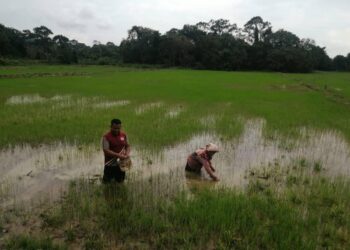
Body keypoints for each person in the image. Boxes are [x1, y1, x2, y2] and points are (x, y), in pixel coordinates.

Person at [102, 118, 131, 183]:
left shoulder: (123, 135)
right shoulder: (106, 137)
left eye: (118, 128)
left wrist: (127, 153)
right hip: (110, 165)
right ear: (111, 127)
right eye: (114, 128)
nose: (116, 130)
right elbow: (106, 150)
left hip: (121, 164)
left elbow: (128, 146)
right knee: (107, 184)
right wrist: (118, 155)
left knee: (120, 182)